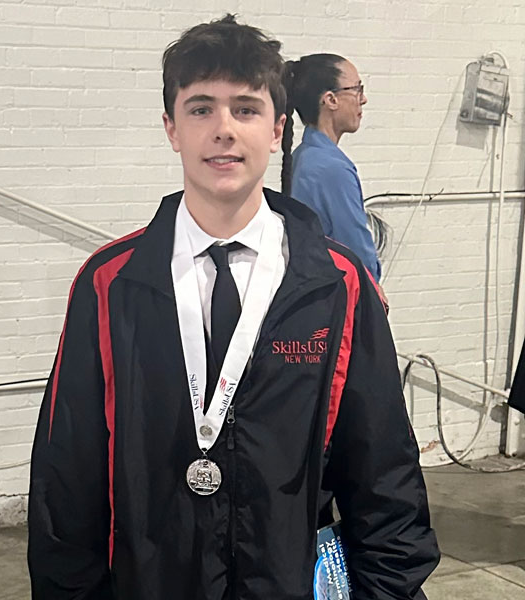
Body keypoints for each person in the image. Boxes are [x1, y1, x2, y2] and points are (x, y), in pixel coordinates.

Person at [27, 14, 439, 599]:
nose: (223, 129)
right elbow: (67, 479)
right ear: (172, 129)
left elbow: (383, 470)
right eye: (201, 109)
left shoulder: (338, 284)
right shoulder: (109, 284)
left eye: (245, 109)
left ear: (276, 130)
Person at [281, 54, 382, 286]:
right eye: (357, 89)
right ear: (330, 100)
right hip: (339, 292)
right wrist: (373, 286)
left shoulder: (304, 156)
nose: (363, 99)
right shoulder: (330, 168)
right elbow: (356, 250)